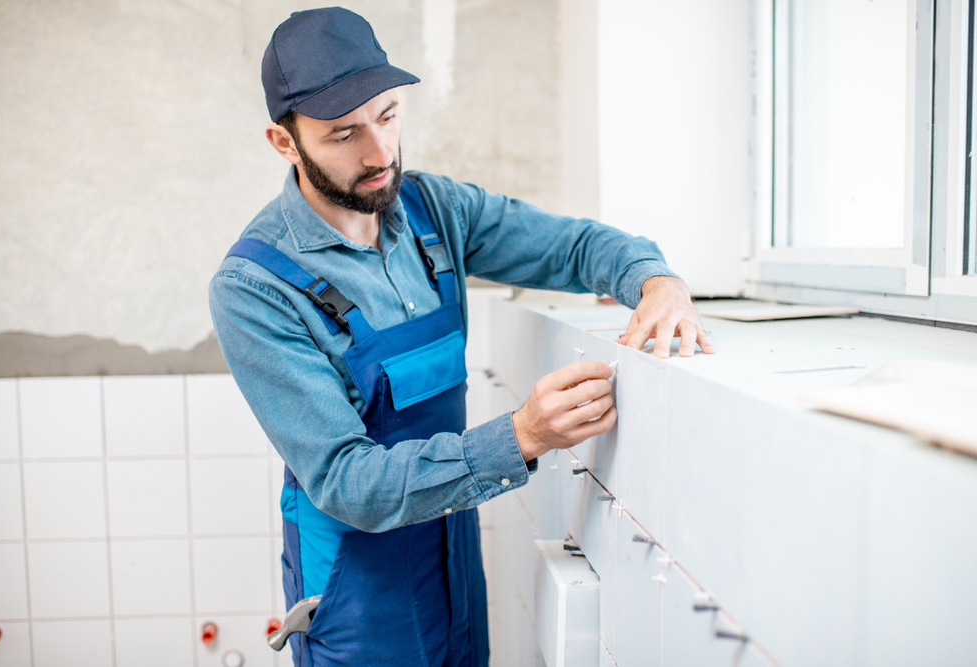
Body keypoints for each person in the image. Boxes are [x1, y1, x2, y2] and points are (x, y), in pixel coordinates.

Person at [209, 7, 714, 667]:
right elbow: (347, 480)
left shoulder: (433, 210)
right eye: (343, 134)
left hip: (450, 551)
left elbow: (573, 245)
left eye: (388, 116)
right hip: (354, 589)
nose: (378, 152)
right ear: (285, 142)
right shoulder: (255, 287)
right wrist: (524, 435)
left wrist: (658, 281)